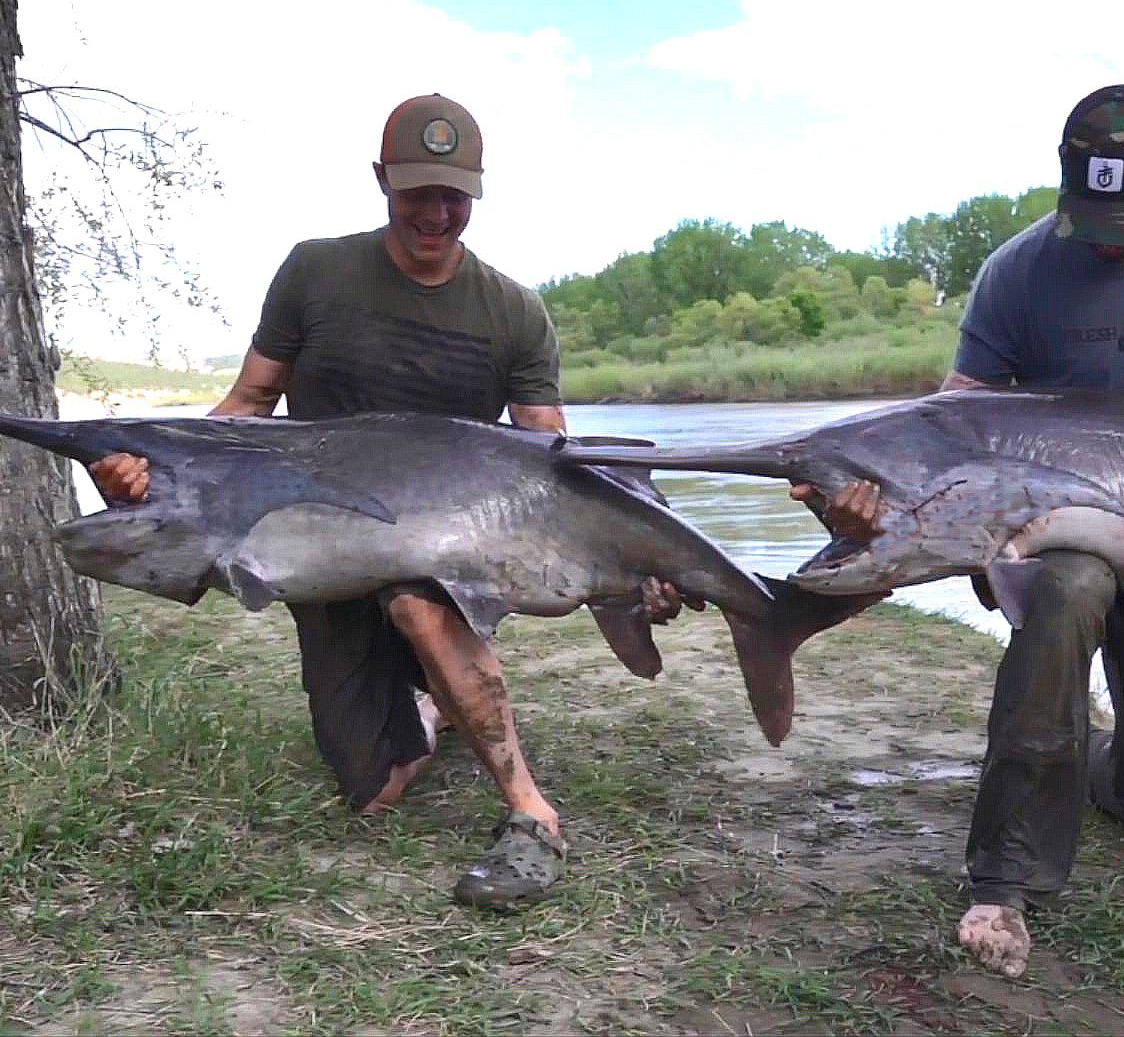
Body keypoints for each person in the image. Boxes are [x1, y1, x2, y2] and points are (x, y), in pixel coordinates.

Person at [87, 93, 680, 908]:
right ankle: (432, 703)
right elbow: (246, 408)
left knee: (418, 604)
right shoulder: (314, 272)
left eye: (454, 195)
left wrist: (639, 557)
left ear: (477, 191)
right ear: (382, 182)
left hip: (439, 552)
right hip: (322, 557)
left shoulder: (513, 312)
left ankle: (531, 813)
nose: (437, 213)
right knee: (377, 791)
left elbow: (560, 461)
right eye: (418, 193)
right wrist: (152, 468)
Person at [794, 84, 1124, 976]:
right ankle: (1004, 878)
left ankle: (1090, 754)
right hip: (1061, 537)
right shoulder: (1017, 272)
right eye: (1089, 211)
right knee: (1062, 595)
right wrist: (867, 498)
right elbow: (946, 428)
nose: (1106, 234)